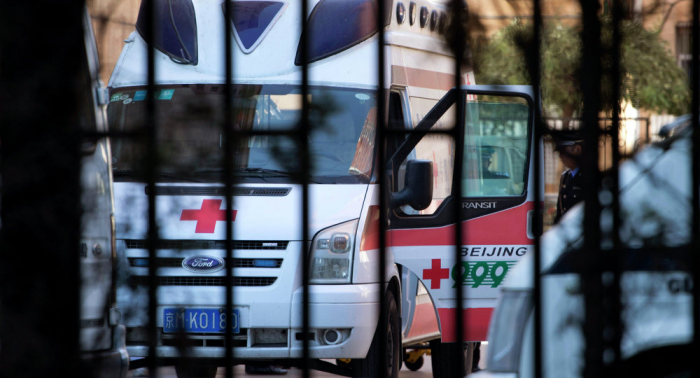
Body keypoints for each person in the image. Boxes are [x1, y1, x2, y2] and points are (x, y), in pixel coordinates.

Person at [553, 134, 584, 224]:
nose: (560, 156)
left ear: (578, 149)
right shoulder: (565, 177)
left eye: (563, 151)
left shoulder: (589, 177)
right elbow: (560, 212)